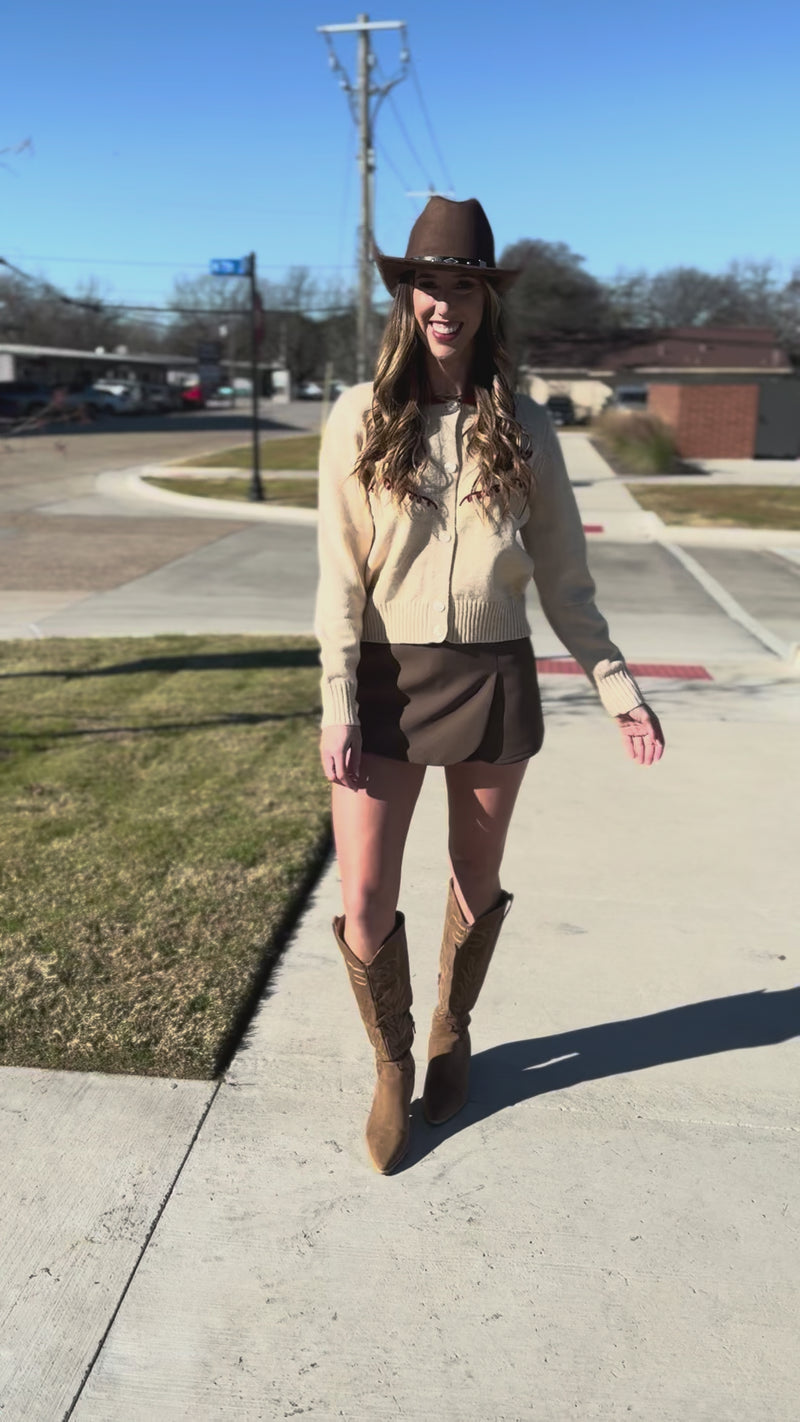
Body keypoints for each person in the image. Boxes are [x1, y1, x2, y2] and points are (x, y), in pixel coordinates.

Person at [314, 197, 665, 1175]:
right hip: (384, 681)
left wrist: (617, 688)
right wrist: (338, 700)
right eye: (429, 284)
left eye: (461, 286)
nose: (444, 303)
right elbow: (337, 578)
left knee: (473, 881)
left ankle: (447, 1030)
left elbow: (565, 584)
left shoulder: (523, 426)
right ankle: (389, 1062)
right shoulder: (358, 418)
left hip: (493, 679)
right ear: (406, 295)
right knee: (366, 893)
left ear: (483, 300)